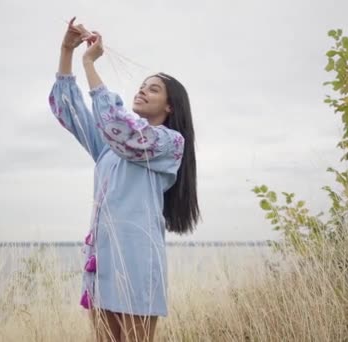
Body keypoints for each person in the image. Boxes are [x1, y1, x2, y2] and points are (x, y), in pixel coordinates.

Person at [49, 17, 200, 342]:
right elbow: (68, 110)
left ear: (170, 106)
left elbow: (123, 128)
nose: (143, 90)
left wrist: (90, 64)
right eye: (142, 85)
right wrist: (67, 52)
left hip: (137, 260)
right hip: (104, 258)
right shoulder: (111, 144)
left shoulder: (168, 143)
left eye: (153, 88)